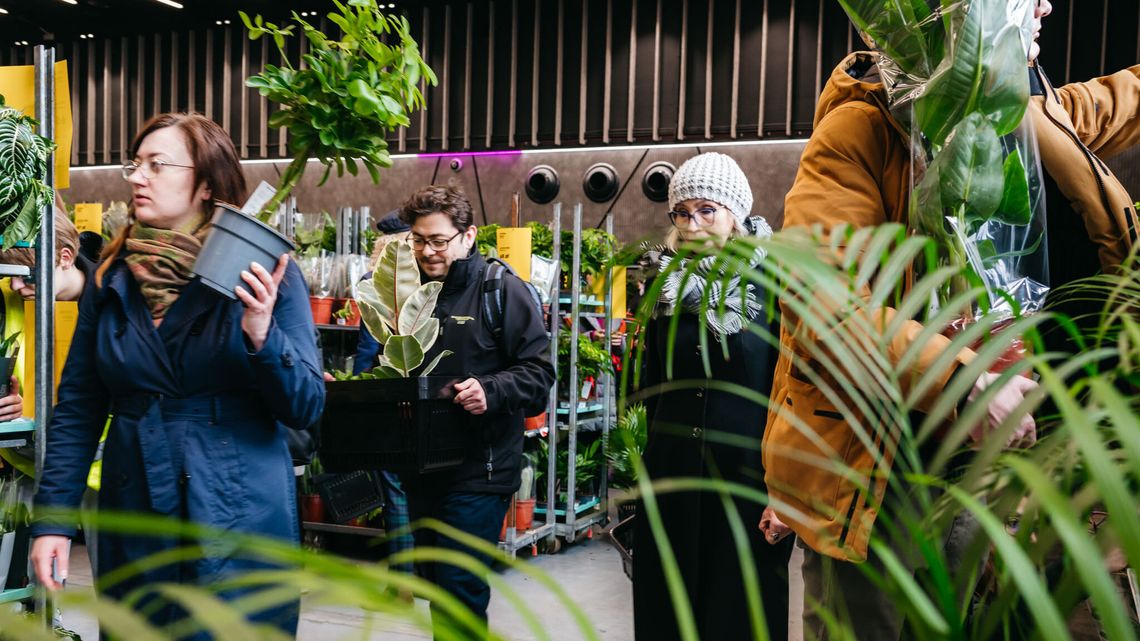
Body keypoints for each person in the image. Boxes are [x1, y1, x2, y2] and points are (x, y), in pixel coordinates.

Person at [763, 1, 1138, 639]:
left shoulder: (1026, 113)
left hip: (1028, 477)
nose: (1046, 7)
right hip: (884, 482)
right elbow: (819, 301)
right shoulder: (861, 131)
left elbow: (1117, 101)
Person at [29, 112, 325, 636]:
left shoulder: (264, 273)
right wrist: (53, 521)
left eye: (157, 165)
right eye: (135, 164)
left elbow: (305, 405)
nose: (137, 177)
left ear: (206, 183)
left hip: (238, 506)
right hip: (136, 499)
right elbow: (78, 405)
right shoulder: (111, 279)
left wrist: (262, 334)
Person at [632, 152, 794, 640]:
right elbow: (650, 389)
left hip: (747, 484)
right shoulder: (664, 289)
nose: (692, 223)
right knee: (670, 614)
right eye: (682, 213)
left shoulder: (775, 285)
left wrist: (788, 489)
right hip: (672, 481)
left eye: (707, 210)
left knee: (741, 614)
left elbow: (791, 391)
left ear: (736, 214)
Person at [393, 183, 554, 638]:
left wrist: (491, 389)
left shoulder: (501, 290)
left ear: (468, 236)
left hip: (480, 470)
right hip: (422, 468)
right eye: (419, 240)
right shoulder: (409, 296)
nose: (427, 251)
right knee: (439, 587)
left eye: (438, 240)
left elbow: (540, 375)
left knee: (460, 587)